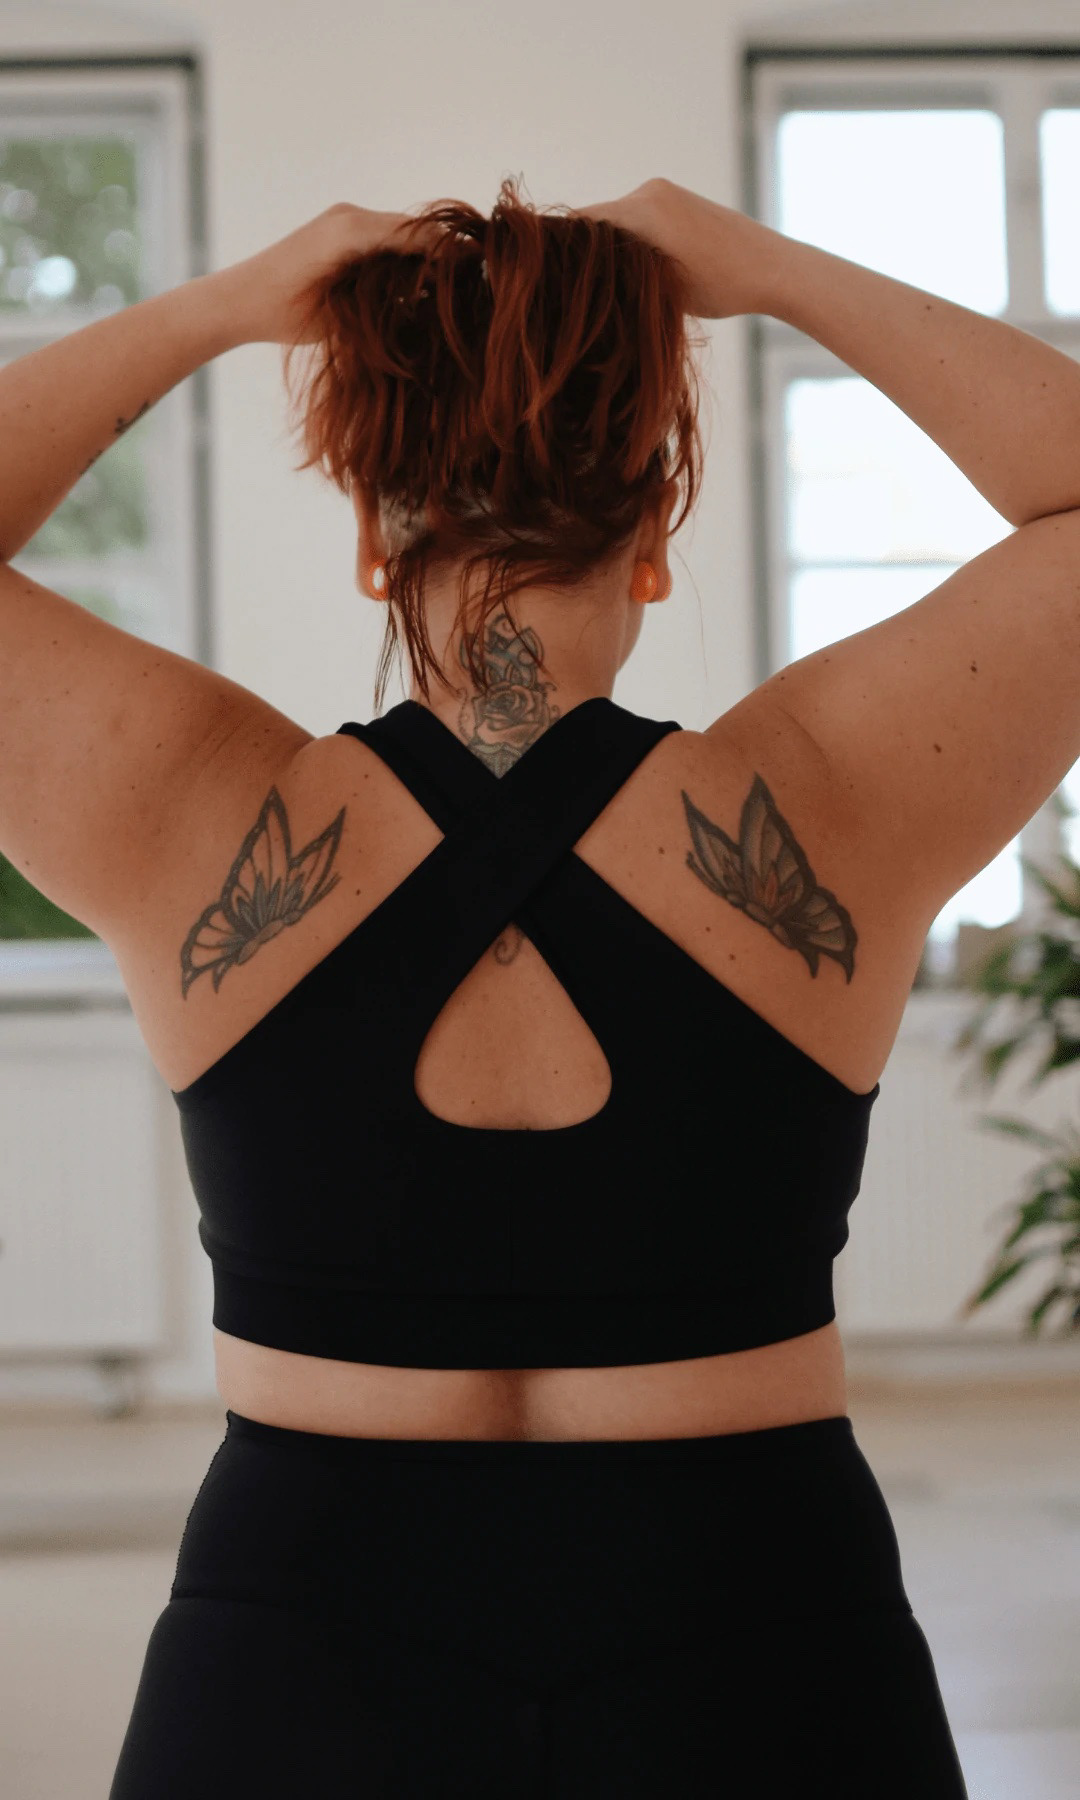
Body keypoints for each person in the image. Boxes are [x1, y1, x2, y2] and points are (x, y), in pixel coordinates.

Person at [8, 170, 1079, 1796]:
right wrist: (770, 270)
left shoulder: (198, 813)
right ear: (655, 539)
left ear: (371, 538)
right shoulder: (826, 806)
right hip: (762, 1643)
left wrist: (226, 308)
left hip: (297, 1656)